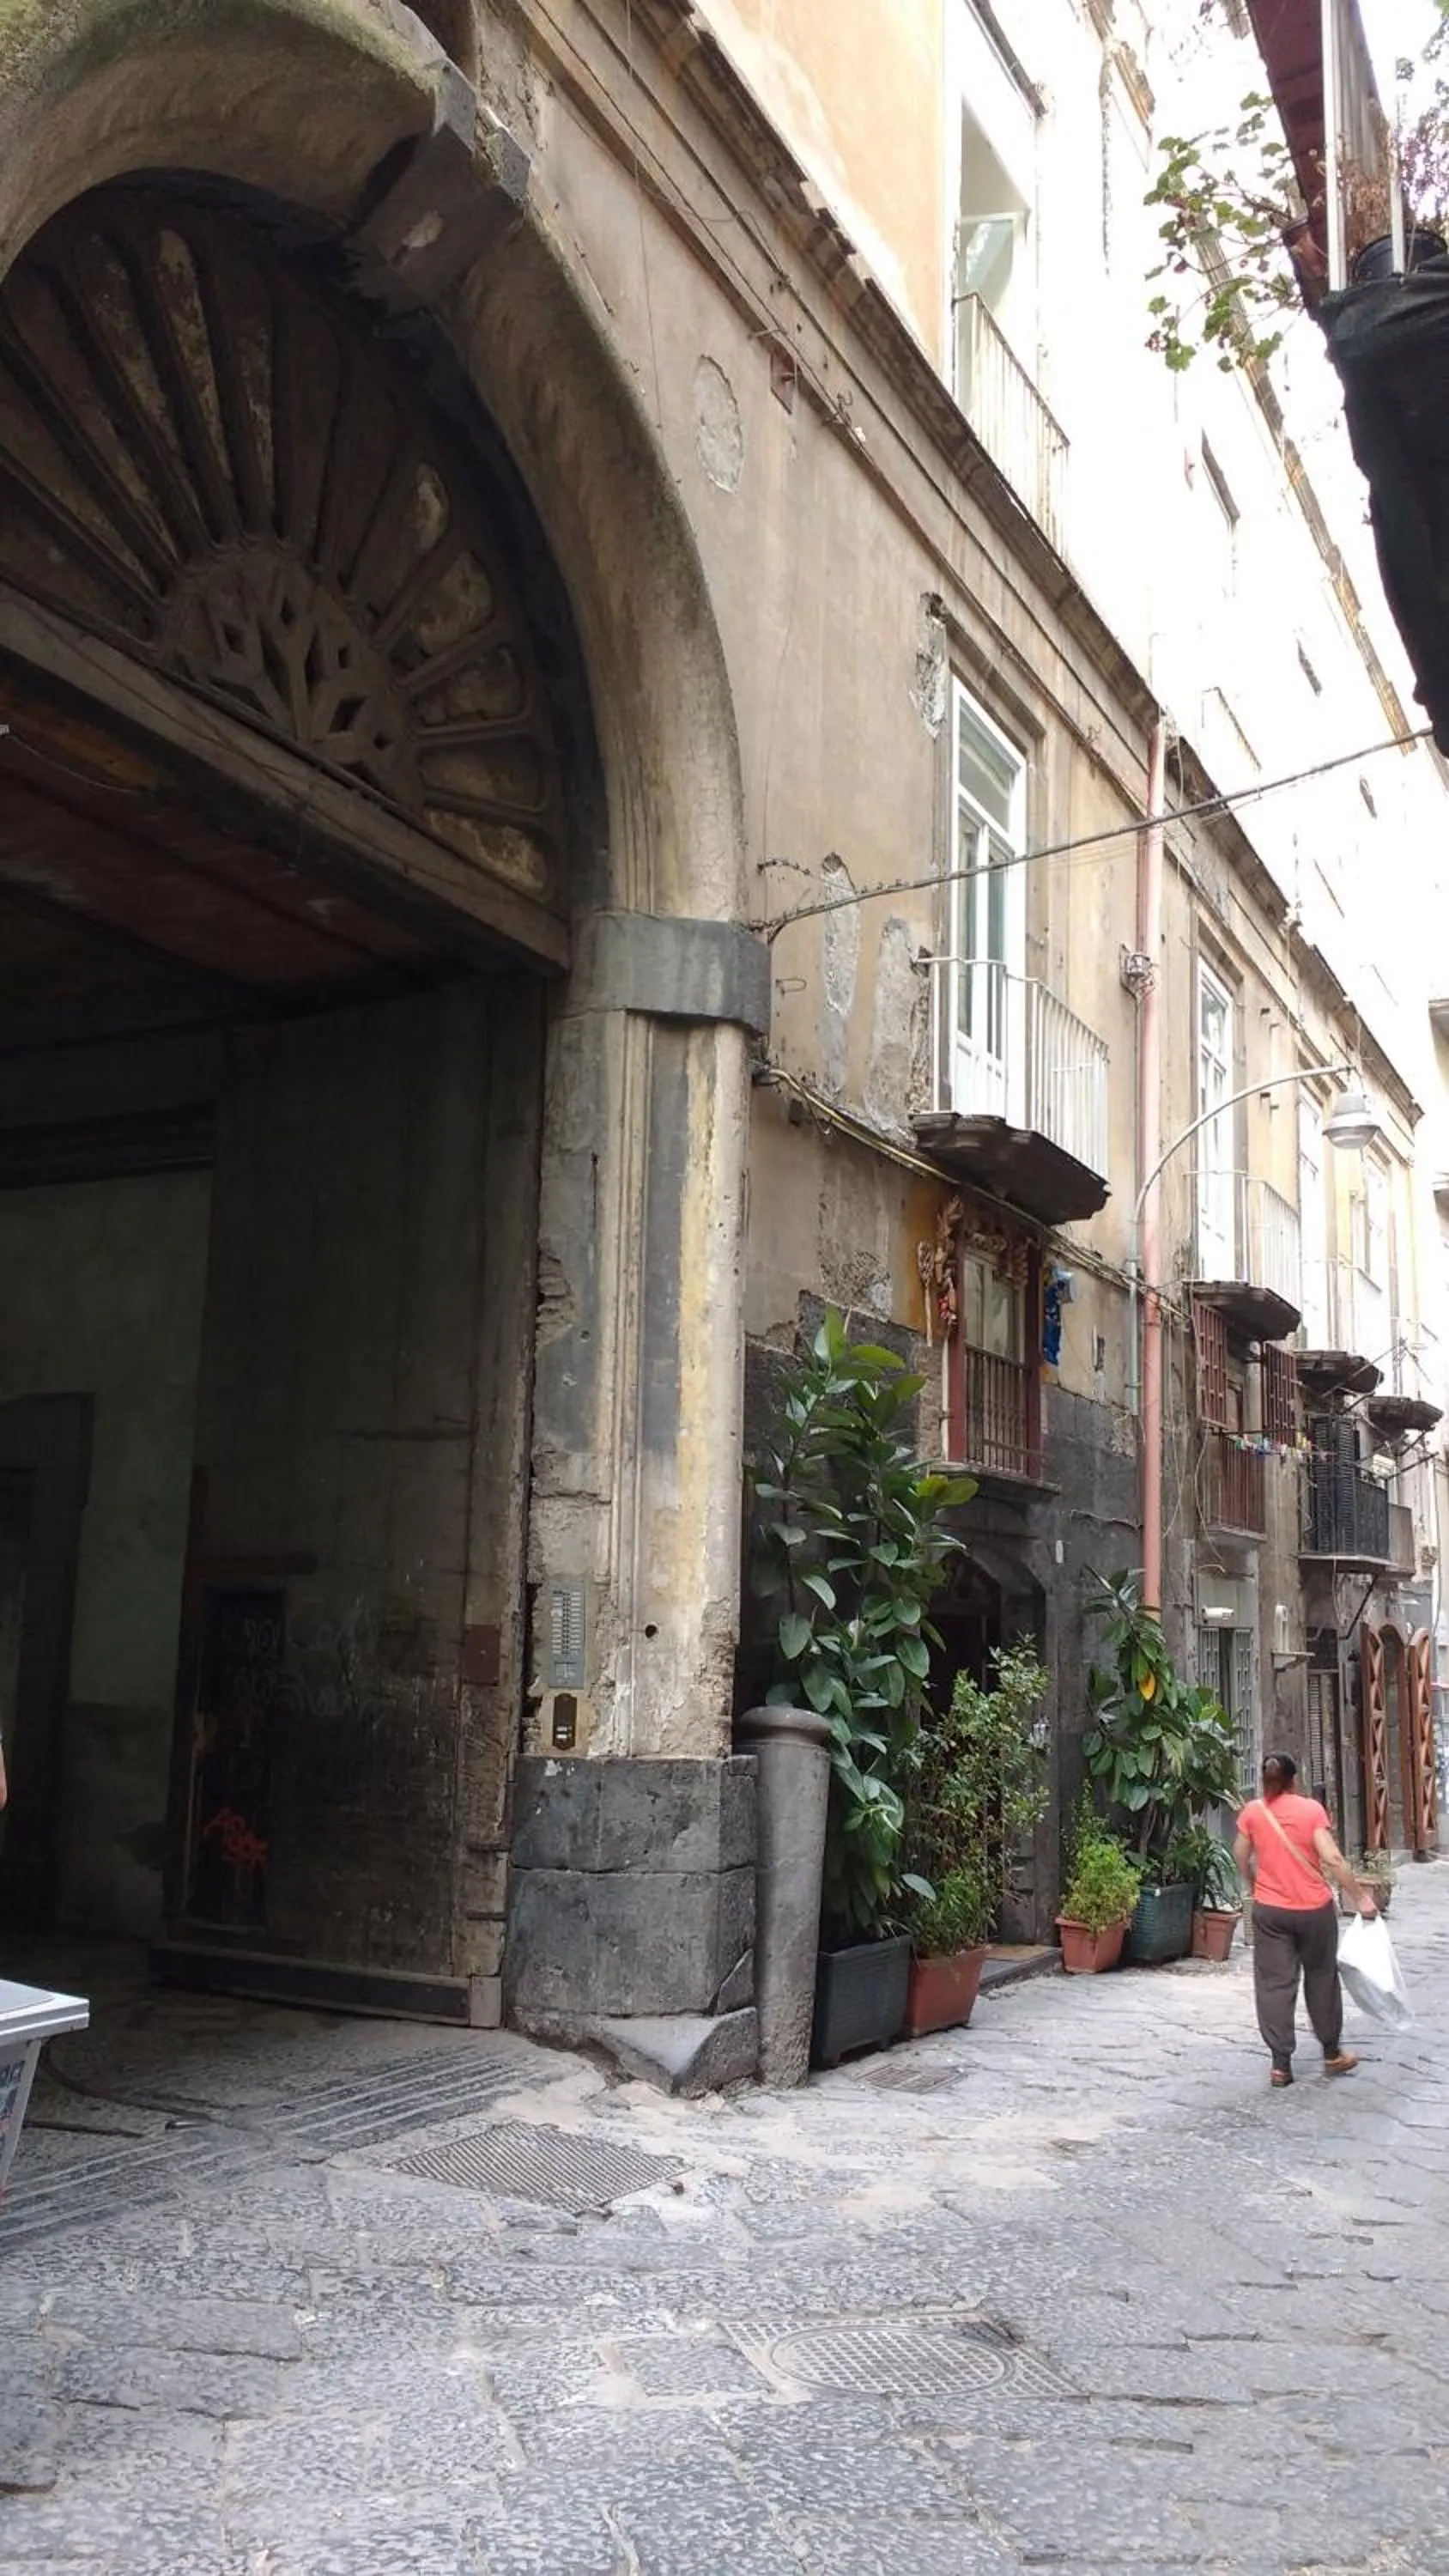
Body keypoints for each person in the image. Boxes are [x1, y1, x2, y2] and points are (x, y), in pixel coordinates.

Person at [1234, 1752, 1377, 2087]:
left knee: (1273, 1983)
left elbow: (1240, 1853)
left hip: (1269, 1911)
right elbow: (1333, 1857)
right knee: (1322, 1976)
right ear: (1294, 1780)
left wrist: (1253, 1884)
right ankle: (1331, 2053)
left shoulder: (1253, 1812)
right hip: (1314, 1910)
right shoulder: (1311, 1810)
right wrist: (1360, 1897)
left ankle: (1281, 2065)